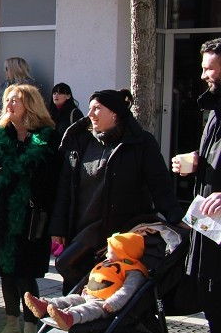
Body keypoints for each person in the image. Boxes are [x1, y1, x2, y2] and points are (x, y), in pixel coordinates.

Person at [50, 89, 181, 295]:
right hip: (79, 222)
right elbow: (65, 186)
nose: (90, 114)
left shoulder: (141, 143)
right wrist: (58, 227)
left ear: (115, 114)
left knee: (65, 263)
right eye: (90, 108)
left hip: (118, 227)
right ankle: (87, 310)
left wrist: (176, 219)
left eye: (97, 109)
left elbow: (160, 185)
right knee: (79, 273)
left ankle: (95, 301)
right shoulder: (80, 141)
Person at [0, 84, 59, 333]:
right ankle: (11, 325)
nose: (8, 105)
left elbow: (55, 182)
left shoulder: (48, 139)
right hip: (1, 216)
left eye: (15, 101)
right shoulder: (0, 137)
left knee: (25, 274)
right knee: (6, 272)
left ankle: (30, 330)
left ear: (30, 105)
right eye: (8, 100)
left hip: (31, 219)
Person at [172, 37, 221, 333]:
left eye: (210, 68)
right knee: (211, 298)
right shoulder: (213, 110)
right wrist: (195, 161)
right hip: (210, 229)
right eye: (204, 68)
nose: (204, 75)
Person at [25, 231, 148, 330]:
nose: (106, 255)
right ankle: (45, 305)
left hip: (105, 304)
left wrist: (114, 302)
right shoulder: (108, 263)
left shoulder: (133, 271)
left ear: (123, 253)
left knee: (89, 309)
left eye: (111, 252)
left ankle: (69, 317)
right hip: (88, 295)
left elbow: (128, 289)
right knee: (70, 299)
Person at [0, 56, 41, 123]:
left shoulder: (29, 86)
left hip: (22, 123)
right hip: (3, 123)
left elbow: (32, 106)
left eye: (6, 68)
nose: (5, 71)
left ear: (14, 69)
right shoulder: (3, 84)